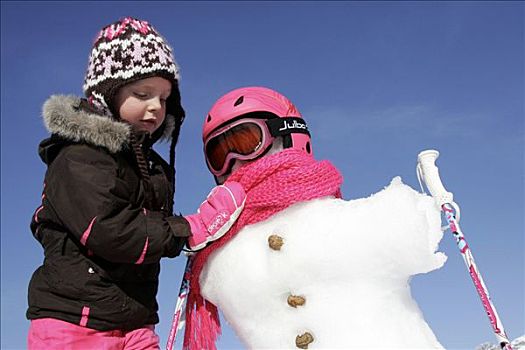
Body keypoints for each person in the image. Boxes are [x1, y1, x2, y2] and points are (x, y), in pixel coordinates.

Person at [27, 17, 245, 349]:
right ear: (107, 95)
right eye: (142, 94)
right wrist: (188, 229)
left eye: (164, 97)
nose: (156, 107)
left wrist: (205, 232)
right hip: (75, 323)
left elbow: (152, 231)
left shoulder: (150, 167)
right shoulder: (78, 156)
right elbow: (108, 229)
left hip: (135, 322)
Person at [183, 86, 343, 350]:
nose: (234, 163)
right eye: (219, 155)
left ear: (287, 134)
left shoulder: (338, 215)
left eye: (247, 142)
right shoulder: (215, 244)